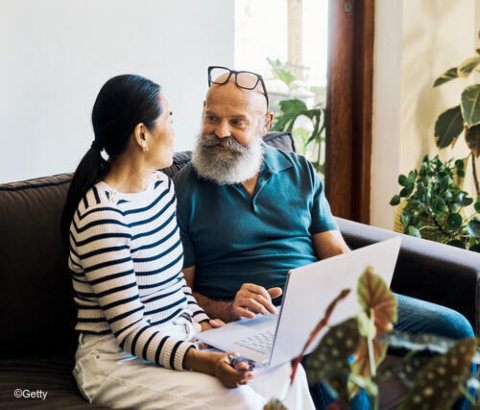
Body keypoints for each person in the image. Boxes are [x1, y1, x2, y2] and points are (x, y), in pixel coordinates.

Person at [173, 66, 476, 409]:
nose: (220, 131)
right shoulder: (184, 188)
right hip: (256, 321)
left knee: (454, 327)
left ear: (265, 123)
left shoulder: (300, 171)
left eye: (237, 122)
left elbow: (333, 248)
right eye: (212, 117)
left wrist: (354, 278)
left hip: (322, 302)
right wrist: (227, 309)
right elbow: (179, 292)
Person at [61, 74, 315, 409]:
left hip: (179, 336)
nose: (176, 130)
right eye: (169, 119)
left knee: (288, 376)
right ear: (142, 135)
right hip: (116, 360)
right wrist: (208, 360)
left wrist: (205, 324)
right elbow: (130, 333)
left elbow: (175, 287)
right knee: (241, 401)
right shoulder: (104, 216)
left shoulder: (161, 190)